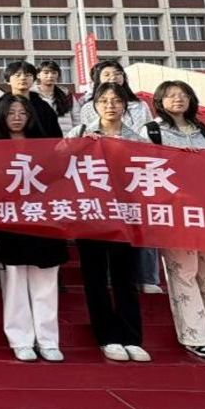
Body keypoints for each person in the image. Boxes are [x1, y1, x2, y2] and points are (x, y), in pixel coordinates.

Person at [143, 80, 205, 361]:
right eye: (171, 95)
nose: (178, 99)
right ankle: (196, 337)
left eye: (183, 95)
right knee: (183, 273)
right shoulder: (151, 131)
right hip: (174, 211)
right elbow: (143, 167)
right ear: (160, 101)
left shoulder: (203, 130)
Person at [67, 81, 150, 363]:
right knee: (95, 277)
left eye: (116, 100)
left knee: (125, 277)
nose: (110, 105)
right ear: (95, 105)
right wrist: (79, 148)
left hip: (125, 216)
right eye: (104, 101)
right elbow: (57, 161)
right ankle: (107, 336)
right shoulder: (80, 132)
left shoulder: (137, 139)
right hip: (90, 214)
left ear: (125, 105)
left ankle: (132, 337)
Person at [0, 95, 67, 362]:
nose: (17, 117)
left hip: (44, 220)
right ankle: (20, 339)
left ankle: (48, 340)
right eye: (11, 113)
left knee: (46, 282)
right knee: (15, 282)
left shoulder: (46, 147)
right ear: (2, 117)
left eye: (22, 112)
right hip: (11, 223)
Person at [77, 61, 161, 294]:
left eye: (117, 73)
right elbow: (63, 154)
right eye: (106, 74)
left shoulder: (139, 114)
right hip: (97, 186)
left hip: (129, 183)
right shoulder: (84, 122)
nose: (110, 106)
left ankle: (146, 277)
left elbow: (146, 140)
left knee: (136, 231)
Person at [0, 62, 61, 140]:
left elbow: (55, 134)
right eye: (17, 75)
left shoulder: (43, 106)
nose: (23, 78)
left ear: (34, 80)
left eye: (28, 75)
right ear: (8, 80)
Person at [34, 60, 76, 135]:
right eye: (46, 73)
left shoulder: (66, 95)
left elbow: (76, 119)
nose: (50, 76)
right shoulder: (32, 95)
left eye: (54, 73)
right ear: (38, 75)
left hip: (66, 137)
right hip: (40, 138)